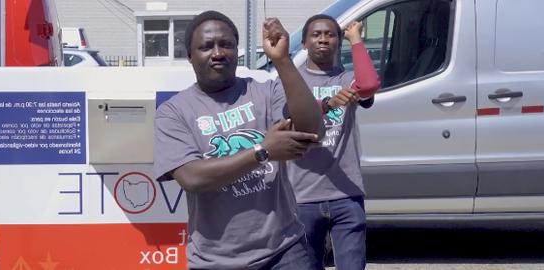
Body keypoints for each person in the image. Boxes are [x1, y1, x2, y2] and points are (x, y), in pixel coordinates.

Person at [154, 10, 326, 269]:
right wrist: (263, 151)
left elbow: (313, 129)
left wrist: (282, 60)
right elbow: (192, 177)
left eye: (226, 44)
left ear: (237, 50)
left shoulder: (267, 91)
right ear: (189, 55)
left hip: (285, 251)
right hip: (215, 261)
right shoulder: (174, 112)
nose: (218, 53)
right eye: (206, 46)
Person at [286, 15, 380, 270]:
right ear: (304, 43)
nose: (323, 39)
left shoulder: (348, 79)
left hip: (346, 195)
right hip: (302, 196)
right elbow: (287, 117)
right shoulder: (292, 82)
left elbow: (369, 85)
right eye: (316, 34)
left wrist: (356, 39)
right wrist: (328, 104)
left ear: (338, 42)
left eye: (330, 35)